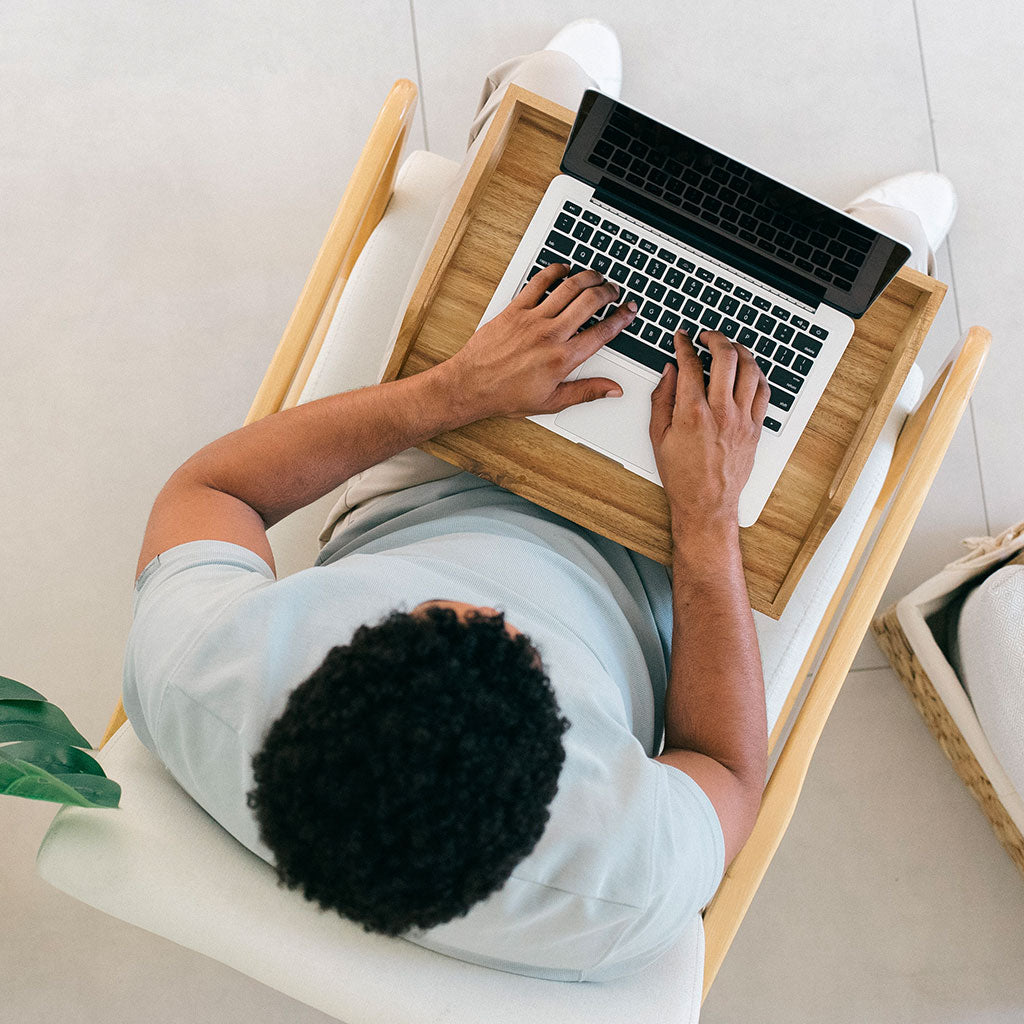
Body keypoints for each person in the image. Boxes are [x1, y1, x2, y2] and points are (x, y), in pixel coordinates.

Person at [122, 21, 957, 982]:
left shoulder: (198, 676)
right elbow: (724, 772)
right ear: (560, 781)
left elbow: (212, 488)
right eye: (519, 648)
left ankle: (539, 98)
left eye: (426, 618)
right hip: (664, 577)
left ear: (323, 677)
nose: (494, 604)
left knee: (544, 145)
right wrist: (706, 520)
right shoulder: (625, 882)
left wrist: (457, 393)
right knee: (833, 329)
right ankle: (872, 255)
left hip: (431, 478)